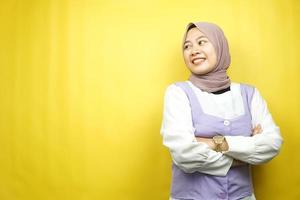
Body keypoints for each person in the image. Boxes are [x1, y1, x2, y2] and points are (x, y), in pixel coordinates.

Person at [160, 22, 283, 200]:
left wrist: (217, 143)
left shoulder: (249, 94)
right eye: (187, 46)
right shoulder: (178, 93)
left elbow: (272, 145)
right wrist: (244, 153)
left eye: (201, 42)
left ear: (220, 45)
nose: (193, 50)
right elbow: (183, 154)